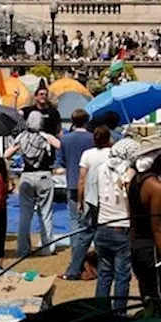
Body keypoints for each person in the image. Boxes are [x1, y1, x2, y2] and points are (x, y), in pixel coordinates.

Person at [128, 138, 161, 317]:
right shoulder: (155, 187)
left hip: (138, 248)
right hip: (155, 250)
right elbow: (157, 228)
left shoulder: (136, 180)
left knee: (149, 299)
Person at [6, 111, 61, 258]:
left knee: (25, 215)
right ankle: (47, 247)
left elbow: (6, 154)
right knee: (46, 213)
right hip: (44, 176)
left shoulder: (21, 137)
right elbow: (59, 145)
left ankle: (23, 249)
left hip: (26, 177)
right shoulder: (45, 137)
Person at [61, 124, 112, 280]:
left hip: (91, 198)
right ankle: (108, 267)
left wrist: (81, 201)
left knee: (85, 234)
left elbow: (82, 180)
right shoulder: (112, 154)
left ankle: (73, 269)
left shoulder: (88, 155)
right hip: (108, 197)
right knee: (108, 233)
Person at [95, 138, 142, 305]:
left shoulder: (101, 168)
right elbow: (132, 202)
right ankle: (119, 312)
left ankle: (100, 311)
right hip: (121, 228)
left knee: (104, 274)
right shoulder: (129, 172)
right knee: (122, 276)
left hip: (102, 226)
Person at [59, 109, 95, 258]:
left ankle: (76, 252)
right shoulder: (92, 138)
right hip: (90, 183)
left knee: (74, 219)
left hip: (72, 182)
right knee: (90, 219)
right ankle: (86, 251)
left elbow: (62, 161)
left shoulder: (65, 139)